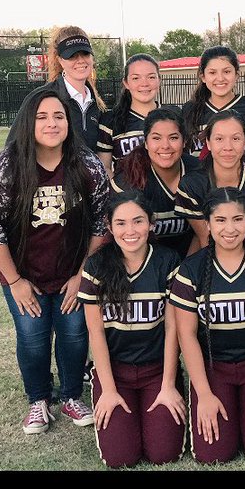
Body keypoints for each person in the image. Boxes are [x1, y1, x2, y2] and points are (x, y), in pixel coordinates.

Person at [0, 86, 110, 434]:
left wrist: (83, 272)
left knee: (73, 334)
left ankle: (70, 396)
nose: (51, 123)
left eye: (59, 116)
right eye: (42, 116)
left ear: (69, 122)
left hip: (73, 271)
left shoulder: (87, 165)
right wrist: (15, 281)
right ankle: (38, 400)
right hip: (24, 273)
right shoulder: (7, 166)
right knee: (33, 336)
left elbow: (101, 221)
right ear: (28, 122)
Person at [170, 187, 245, 465]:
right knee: (213, 455)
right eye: (220, 220)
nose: (230, 228)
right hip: (215, 368)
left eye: (238, 219)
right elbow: (186, 336)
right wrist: (203, 394)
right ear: (208, 224)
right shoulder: (191, 269)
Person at [78, 190, 186, 469]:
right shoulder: (96, 265)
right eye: (121, 223)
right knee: (120, 458)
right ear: (110, 227)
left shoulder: (168, 261)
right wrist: (109, 391)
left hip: (157, 370)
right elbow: (96, 332)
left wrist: (168, 385)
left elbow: (173, 327)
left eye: (138, 221)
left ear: (151, 224)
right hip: (116, 371)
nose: (130, 231)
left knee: (164, 453)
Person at [175, 111, 245, 250]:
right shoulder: (191, 185)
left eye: (236, 139)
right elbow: (206, 239)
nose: (228, 147)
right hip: (210, 258)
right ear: (208, 143)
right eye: (219, 139)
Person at [112, 107, 196, 259]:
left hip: (191, 261)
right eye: (156, 138)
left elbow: (204, 233)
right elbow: (119, 237)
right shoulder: (128, 179)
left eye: (173, 138)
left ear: (184, 141)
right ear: (145, 142)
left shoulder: (198, 172)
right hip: (143, 262)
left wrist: (188, 270)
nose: (165, 146)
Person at [6, 25, 107, 152]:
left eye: (85, 53)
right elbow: (13, 149)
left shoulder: (98, 106)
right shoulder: (39, 98)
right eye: (72, 55)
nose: (81, 60)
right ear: (60, 60)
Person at [180, 45, 245, 158]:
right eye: (212, 73)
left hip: (242, 175)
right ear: (203, 77)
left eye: (226, 72)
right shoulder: (189, 109)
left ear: (236, 75)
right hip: (200, 175)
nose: (220, 78)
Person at [97, 53, 161, 178]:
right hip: (127, 195)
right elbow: (105, 168)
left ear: (159, 80)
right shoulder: (110, 121)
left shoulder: (173, 116)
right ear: (126, 83)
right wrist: (120, 195)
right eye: (136, 78)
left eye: (151, 77)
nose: (144, 83)